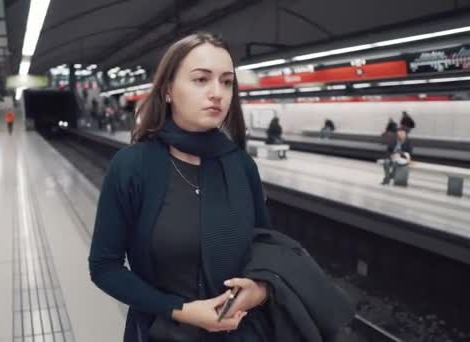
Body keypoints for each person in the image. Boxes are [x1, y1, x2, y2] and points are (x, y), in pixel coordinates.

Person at [88, 32, 353, 342]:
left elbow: (263, 247)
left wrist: (259, 289)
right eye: (201, 80)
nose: (218, 93)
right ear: (169, 90)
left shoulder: (240, 165)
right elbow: (105, 268)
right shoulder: (131, 167)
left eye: (227, 82)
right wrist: (181, 309)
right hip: (162, 333)